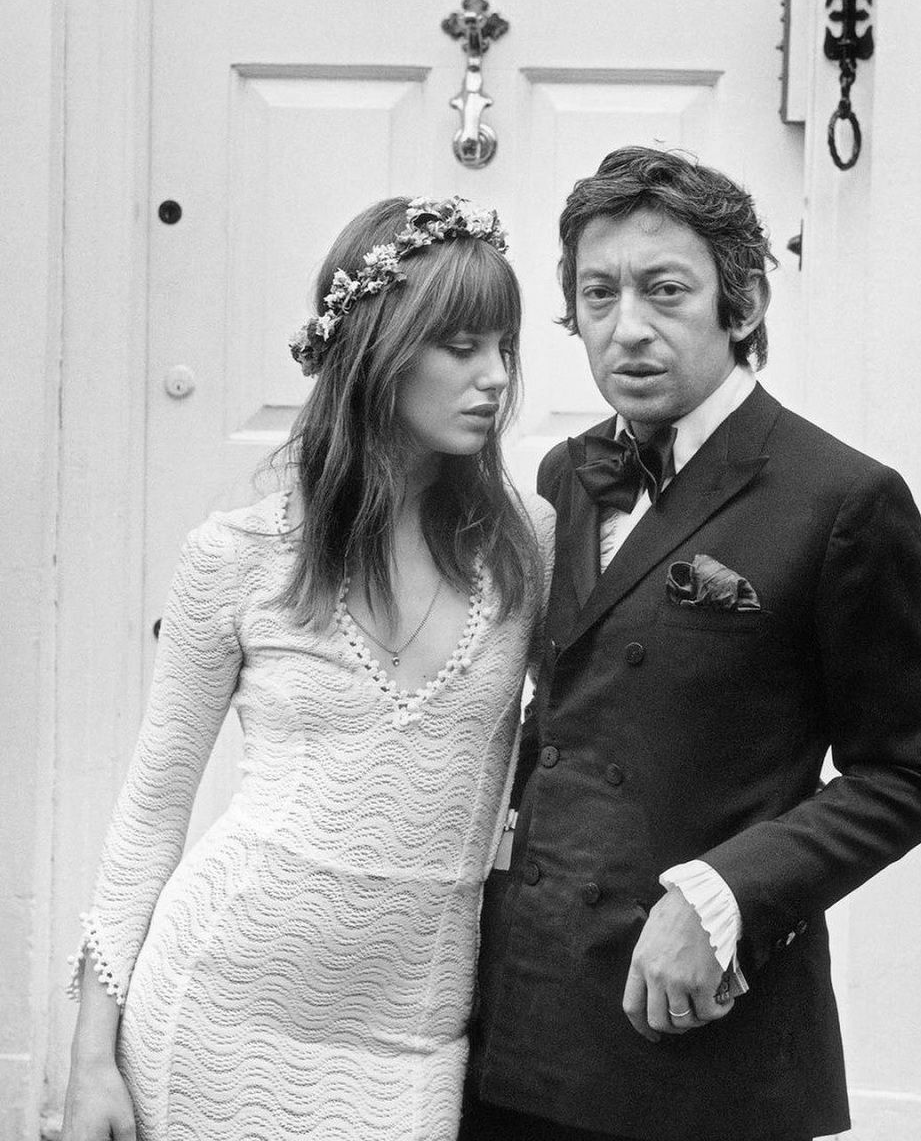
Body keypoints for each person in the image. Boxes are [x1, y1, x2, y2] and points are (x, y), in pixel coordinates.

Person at [461, 147, 921, 1141]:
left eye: (665, 290)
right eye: (598, 294)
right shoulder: (562, 476)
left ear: (743, 302)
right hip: (526, 1016)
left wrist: (725, 893)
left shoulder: (844, 500)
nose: (627, 327)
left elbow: (904, 776)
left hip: (702, 1043)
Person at [62, 194, 553, 1141]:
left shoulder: (524, 544)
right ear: (377, 352)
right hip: (216, 1012)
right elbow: (151, 813)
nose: (495, 377)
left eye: (505, 347)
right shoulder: (236, 556)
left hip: (412, 1041)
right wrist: (89, 1061)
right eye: (461, 347)